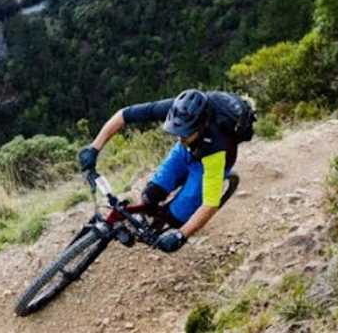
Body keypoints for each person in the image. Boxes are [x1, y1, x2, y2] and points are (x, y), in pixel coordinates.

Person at [78, 89, 253, 254]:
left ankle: (167, 221)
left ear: (201, 127)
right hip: (188, 151)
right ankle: (149, 214)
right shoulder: (178, 109)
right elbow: (124, 115)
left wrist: (180, 235)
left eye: (184, 134)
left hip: (208, 161)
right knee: (150, 194)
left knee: (176, 216)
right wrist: (94, 148)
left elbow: (210, 204)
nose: (179, 137)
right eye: (177, 132)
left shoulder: (216, 149)